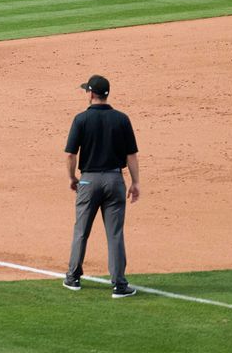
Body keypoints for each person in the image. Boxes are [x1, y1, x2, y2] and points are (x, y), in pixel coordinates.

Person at [63, 75, 139, 298]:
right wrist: (135, 182)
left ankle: (73, 277)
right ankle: (119, 285)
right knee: (115, 234)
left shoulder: (81, 119)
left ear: (91, 94)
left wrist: (71, 178)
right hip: (115, 180)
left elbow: (70, 154)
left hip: (88, 180)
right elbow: (131, 155)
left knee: (81, 231)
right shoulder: (122, 119)